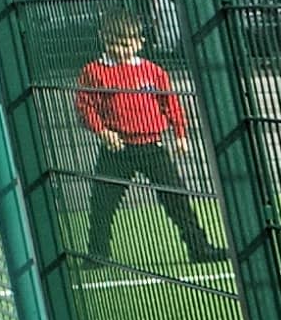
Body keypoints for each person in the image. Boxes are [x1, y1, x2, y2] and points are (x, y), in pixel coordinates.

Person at [74, 13, 218, 265]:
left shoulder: (153, 71)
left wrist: (180, 135)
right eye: (113, 43)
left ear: (139, 42)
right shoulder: (93, 72)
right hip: (117, 148)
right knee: (102, 204)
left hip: (153, 146)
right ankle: (97, 254)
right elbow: (85, 107)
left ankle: (200, 248)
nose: (119, 50)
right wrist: (103, 131)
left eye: (125, 44)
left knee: (177, 199)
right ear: (103, 39)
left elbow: (170, 103)